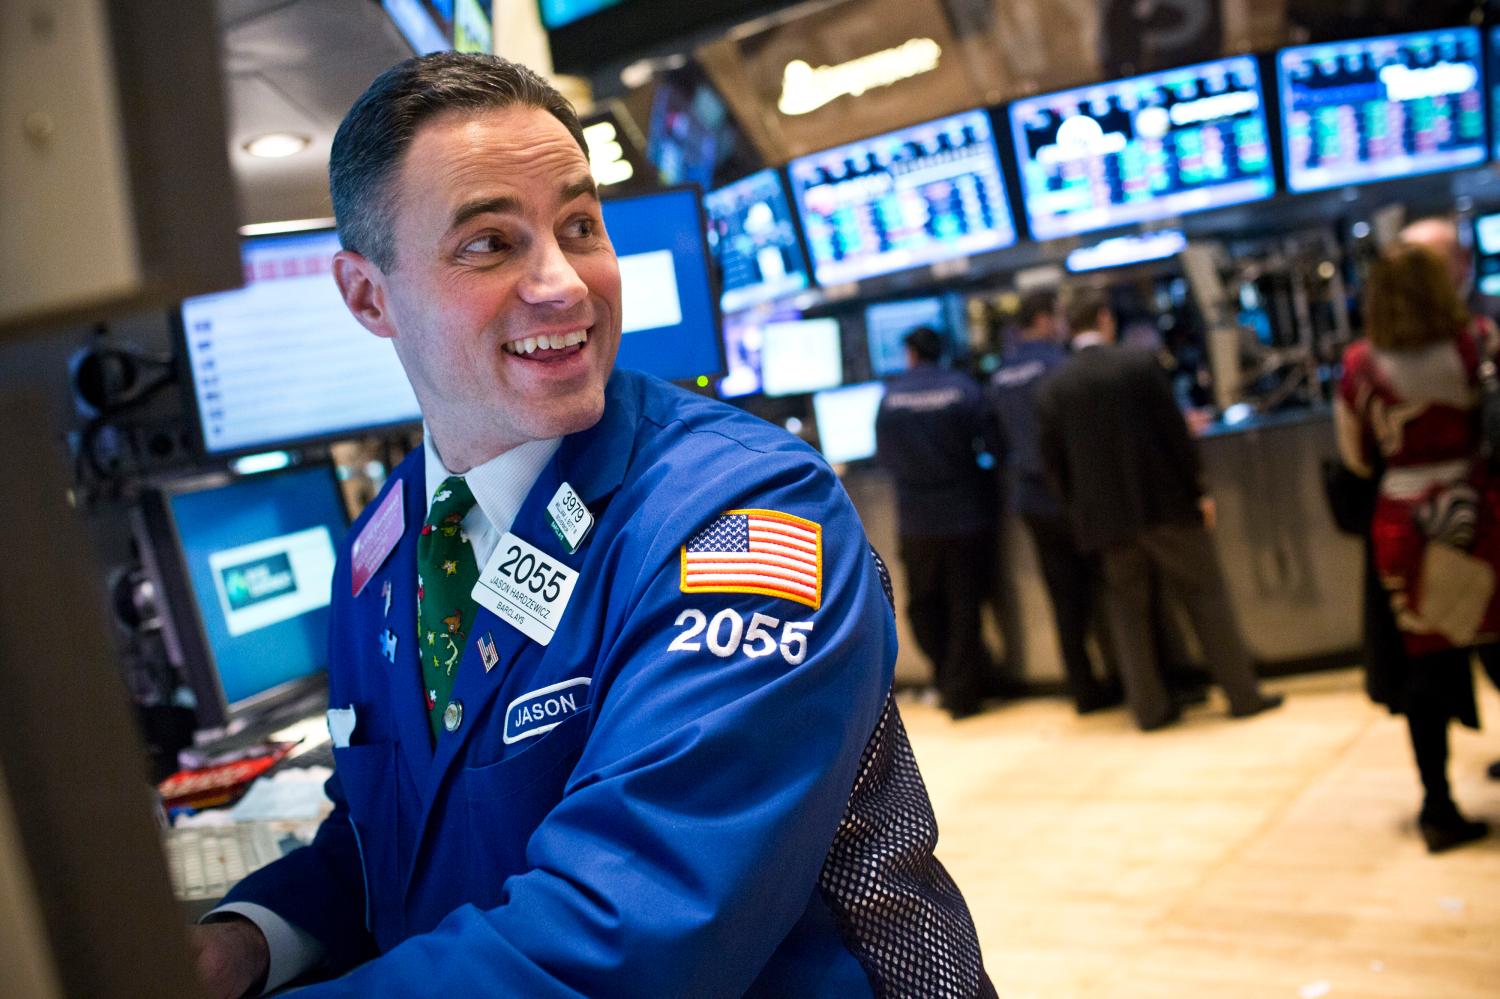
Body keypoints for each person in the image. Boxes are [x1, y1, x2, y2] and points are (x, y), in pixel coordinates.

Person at [190, 53, 994, 997]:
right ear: (369, 295)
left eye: (579, 225)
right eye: (490, 243)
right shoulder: (383, 551)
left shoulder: (741, 516)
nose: (565, 283)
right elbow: (390, 831)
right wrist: (249, 937)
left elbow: (631, 940)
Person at [1037, 289, 1283, 731]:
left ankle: (1149, 710)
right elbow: (1174, 434)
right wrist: (1197, 489)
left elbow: (1055, 465)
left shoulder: (1055, 386)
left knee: (1129, 618)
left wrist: (1081, 514)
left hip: (1106, 523)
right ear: (1105, 317)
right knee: (1205, 599)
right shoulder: (1138, 364)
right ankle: (1242, 695)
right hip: (1166, 506)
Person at [1335, 243, 1497, 853]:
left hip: (1404, 530)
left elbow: (1355, 458)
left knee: (1426, 671)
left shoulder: (1358, 366)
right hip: (1482, 515)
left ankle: (1438, 806)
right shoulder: (1478, 342)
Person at [1399, 215, 1500, 783]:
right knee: (1433, 666)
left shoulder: (1486, 328)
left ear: (1462, 263)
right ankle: (1437, 799)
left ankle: (1438, 800)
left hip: (1466, 517)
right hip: (1446, 524)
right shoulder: (1477, 337)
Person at [990, 291, 1121, 713]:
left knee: (1064, 598)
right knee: (1111, 588)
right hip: (1073, 494)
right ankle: (1129, 679)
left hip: (1030, 500)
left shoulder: (1001, 374)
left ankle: (1084, 690)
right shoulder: (1059, 365)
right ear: (1045, 320)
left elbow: (996, 441)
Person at [874, 326, 997, 720]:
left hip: (917, 521)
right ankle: (961, 691)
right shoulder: (963, 389)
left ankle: (948, 679)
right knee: (964, 606)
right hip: (964, 514)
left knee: (922, 607)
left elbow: (884, 458)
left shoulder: (891, 397)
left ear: (911, 354)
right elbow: (991, 444)